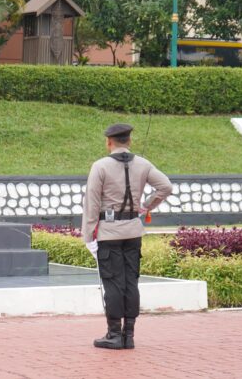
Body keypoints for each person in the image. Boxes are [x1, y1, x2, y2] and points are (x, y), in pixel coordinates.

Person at [82, 123, 173, 350]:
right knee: (131, 282)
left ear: (108, 142)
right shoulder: (143, 164)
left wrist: (88, 236)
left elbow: (91, 204)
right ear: (129, 141)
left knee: (113, 283)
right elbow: (166, 186)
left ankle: (114, 334)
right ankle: (128, 335)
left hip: (108, 232)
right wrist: (146, 207)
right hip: (133, 231)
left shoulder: (100, 166)